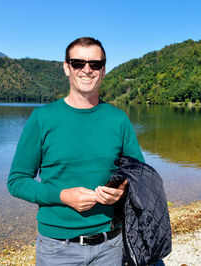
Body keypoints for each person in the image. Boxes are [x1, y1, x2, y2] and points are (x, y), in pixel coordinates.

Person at [8, 37, 144, 265]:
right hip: (57, 247)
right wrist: (62, 196)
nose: (87, 70)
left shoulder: (118, 119)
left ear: (103, 70)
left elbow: (138, 173)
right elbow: (17, 181)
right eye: (78, 63)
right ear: (66, 67)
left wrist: (121, 190)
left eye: (95, 64)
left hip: (110, 245)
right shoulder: (42, 118)